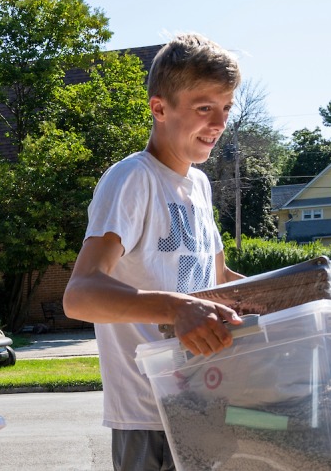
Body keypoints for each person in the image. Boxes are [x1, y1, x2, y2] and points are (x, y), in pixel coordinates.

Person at [62, 33, 248, 471]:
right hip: (149, 416)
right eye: (205, 108)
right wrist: (175, 309)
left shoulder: (199, 186)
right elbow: (80, 294)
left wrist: (308, 292)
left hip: (206, 399)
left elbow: (220, 282)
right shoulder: (132, 179)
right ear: (160, 108)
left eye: (226, 109)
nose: (219, 123)